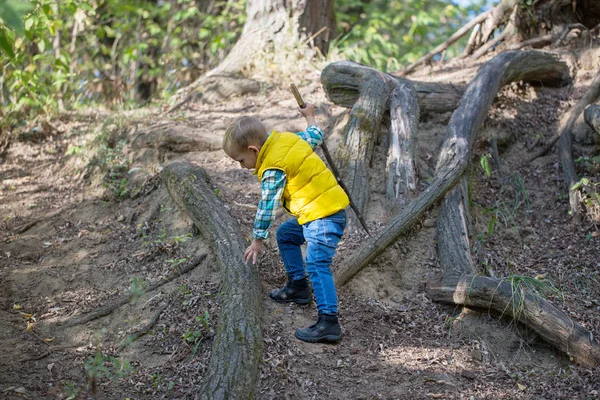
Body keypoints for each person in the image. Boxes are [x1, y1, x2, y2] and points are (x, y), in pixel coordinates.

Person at [222, 104, 349, 343]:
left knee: (317, 263)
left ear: (253, 149)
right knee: (287, 234)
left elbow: (267, 205)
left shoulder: (272, 167)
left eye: (241, 160)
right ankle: (298, 287)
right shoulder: (287, 140)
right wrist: (310, 116)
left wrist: (257, 239)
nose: (242, 166)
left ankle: (329, 322)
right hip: (319, 212)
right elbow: (315, 136)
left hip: (323, 216)